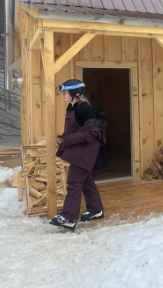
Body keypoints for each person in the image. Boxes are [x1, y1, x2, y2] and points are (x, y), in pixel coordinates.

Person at [49, 79, 104, 231]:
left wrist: (67, 140)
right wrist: (63, 137)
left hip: (86, 151)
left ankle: (69, 218)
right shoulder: (72, 107)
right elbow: (75, 129)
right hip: (80, 150)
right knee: (86, 181)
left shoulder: (84, 108)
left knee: (74, 182)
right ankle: (95, 209)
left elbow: (91, 133)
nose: (63, 95)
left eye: (65, 92)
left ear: (76, 93)